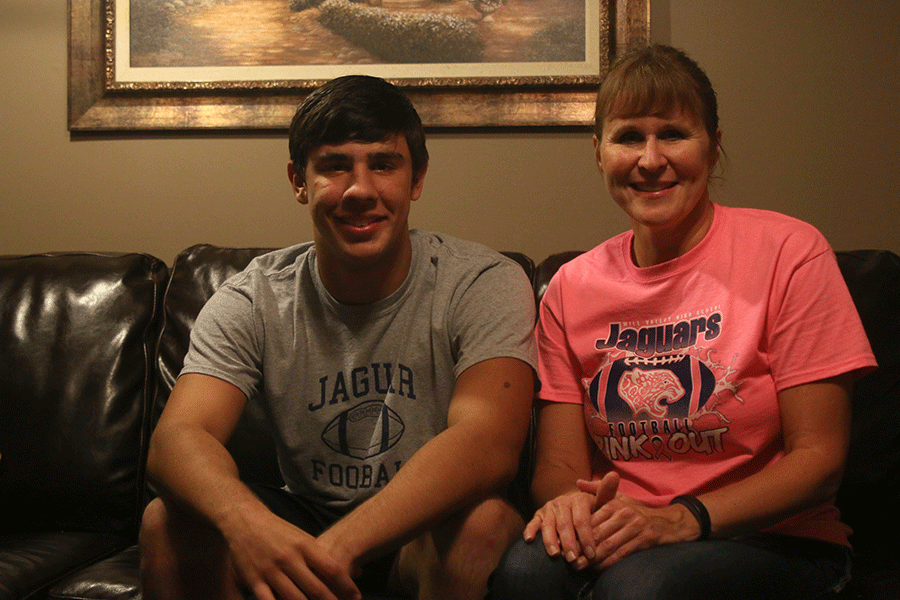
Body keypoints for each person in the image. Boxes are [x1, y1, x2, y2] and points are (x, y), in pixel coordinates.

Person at [487, 45, 877, 600]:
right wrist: (573, 506)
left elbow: (820, 459)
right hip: (623, 529)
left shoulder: (789, 252)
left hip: (775, 540)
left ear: (714, 147)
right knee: (523, 575)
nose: (649, 159)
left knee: (640, 587)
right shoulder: (571, 288)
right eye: (627, 137)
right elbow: (557, 465)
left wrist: (679, 518)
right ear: (599, 153)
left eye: (673, 133)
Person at [139, 74, 537, 600]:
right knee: (164, 524)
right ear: (298, 180)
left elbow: (488, 444)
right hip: (305, 514)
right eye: (334, 166)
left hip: (429, 525)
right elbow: (176, 440)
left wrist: (332, 553)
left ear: (416, 178)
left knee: (482, 526)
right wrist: (247, 525)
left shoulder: (481, 280)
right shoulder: (254, 297)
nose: (359, 190)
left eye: (383, 164)